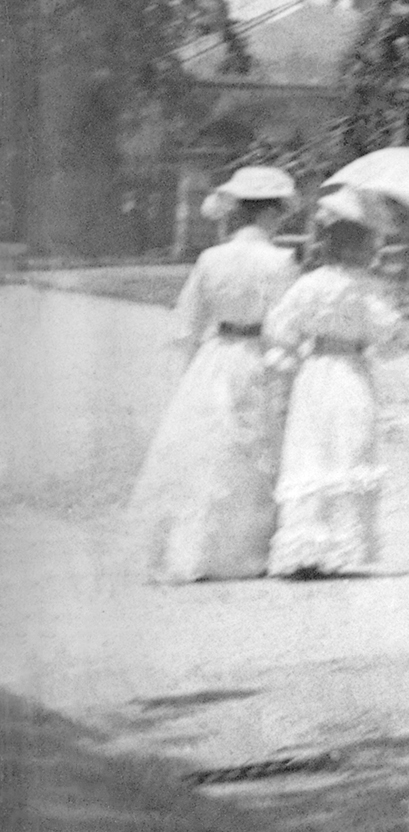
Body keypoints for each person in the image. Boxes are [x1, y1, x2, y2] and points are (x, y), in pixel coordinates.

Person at [131, 169, 303, 585]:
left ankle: (188, 545)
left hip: (216, 356)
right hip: (258, 356)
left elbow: (188, 324)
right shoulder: (281, 262)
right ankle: (241, 551)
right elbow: (285, 326)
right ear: (271, 214)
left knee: (208, 445)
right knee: (251, 448)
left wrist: (191, 370)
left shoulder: (211, 258)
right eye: (279, 212)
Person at [264, 198, 409, 581]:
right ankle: (339, 545)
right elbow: (390, 342)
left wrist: (297, 348)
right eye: (368, 244)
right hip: (349, 372)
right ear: (358, 246)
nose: (372, 251)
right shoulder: (369, 288)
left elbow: (280, 331)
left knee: (311, 451)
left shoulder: (307, 284)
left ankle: (305, 546)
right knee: (346, 448)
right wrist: (396, 320)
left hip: (313, 374)